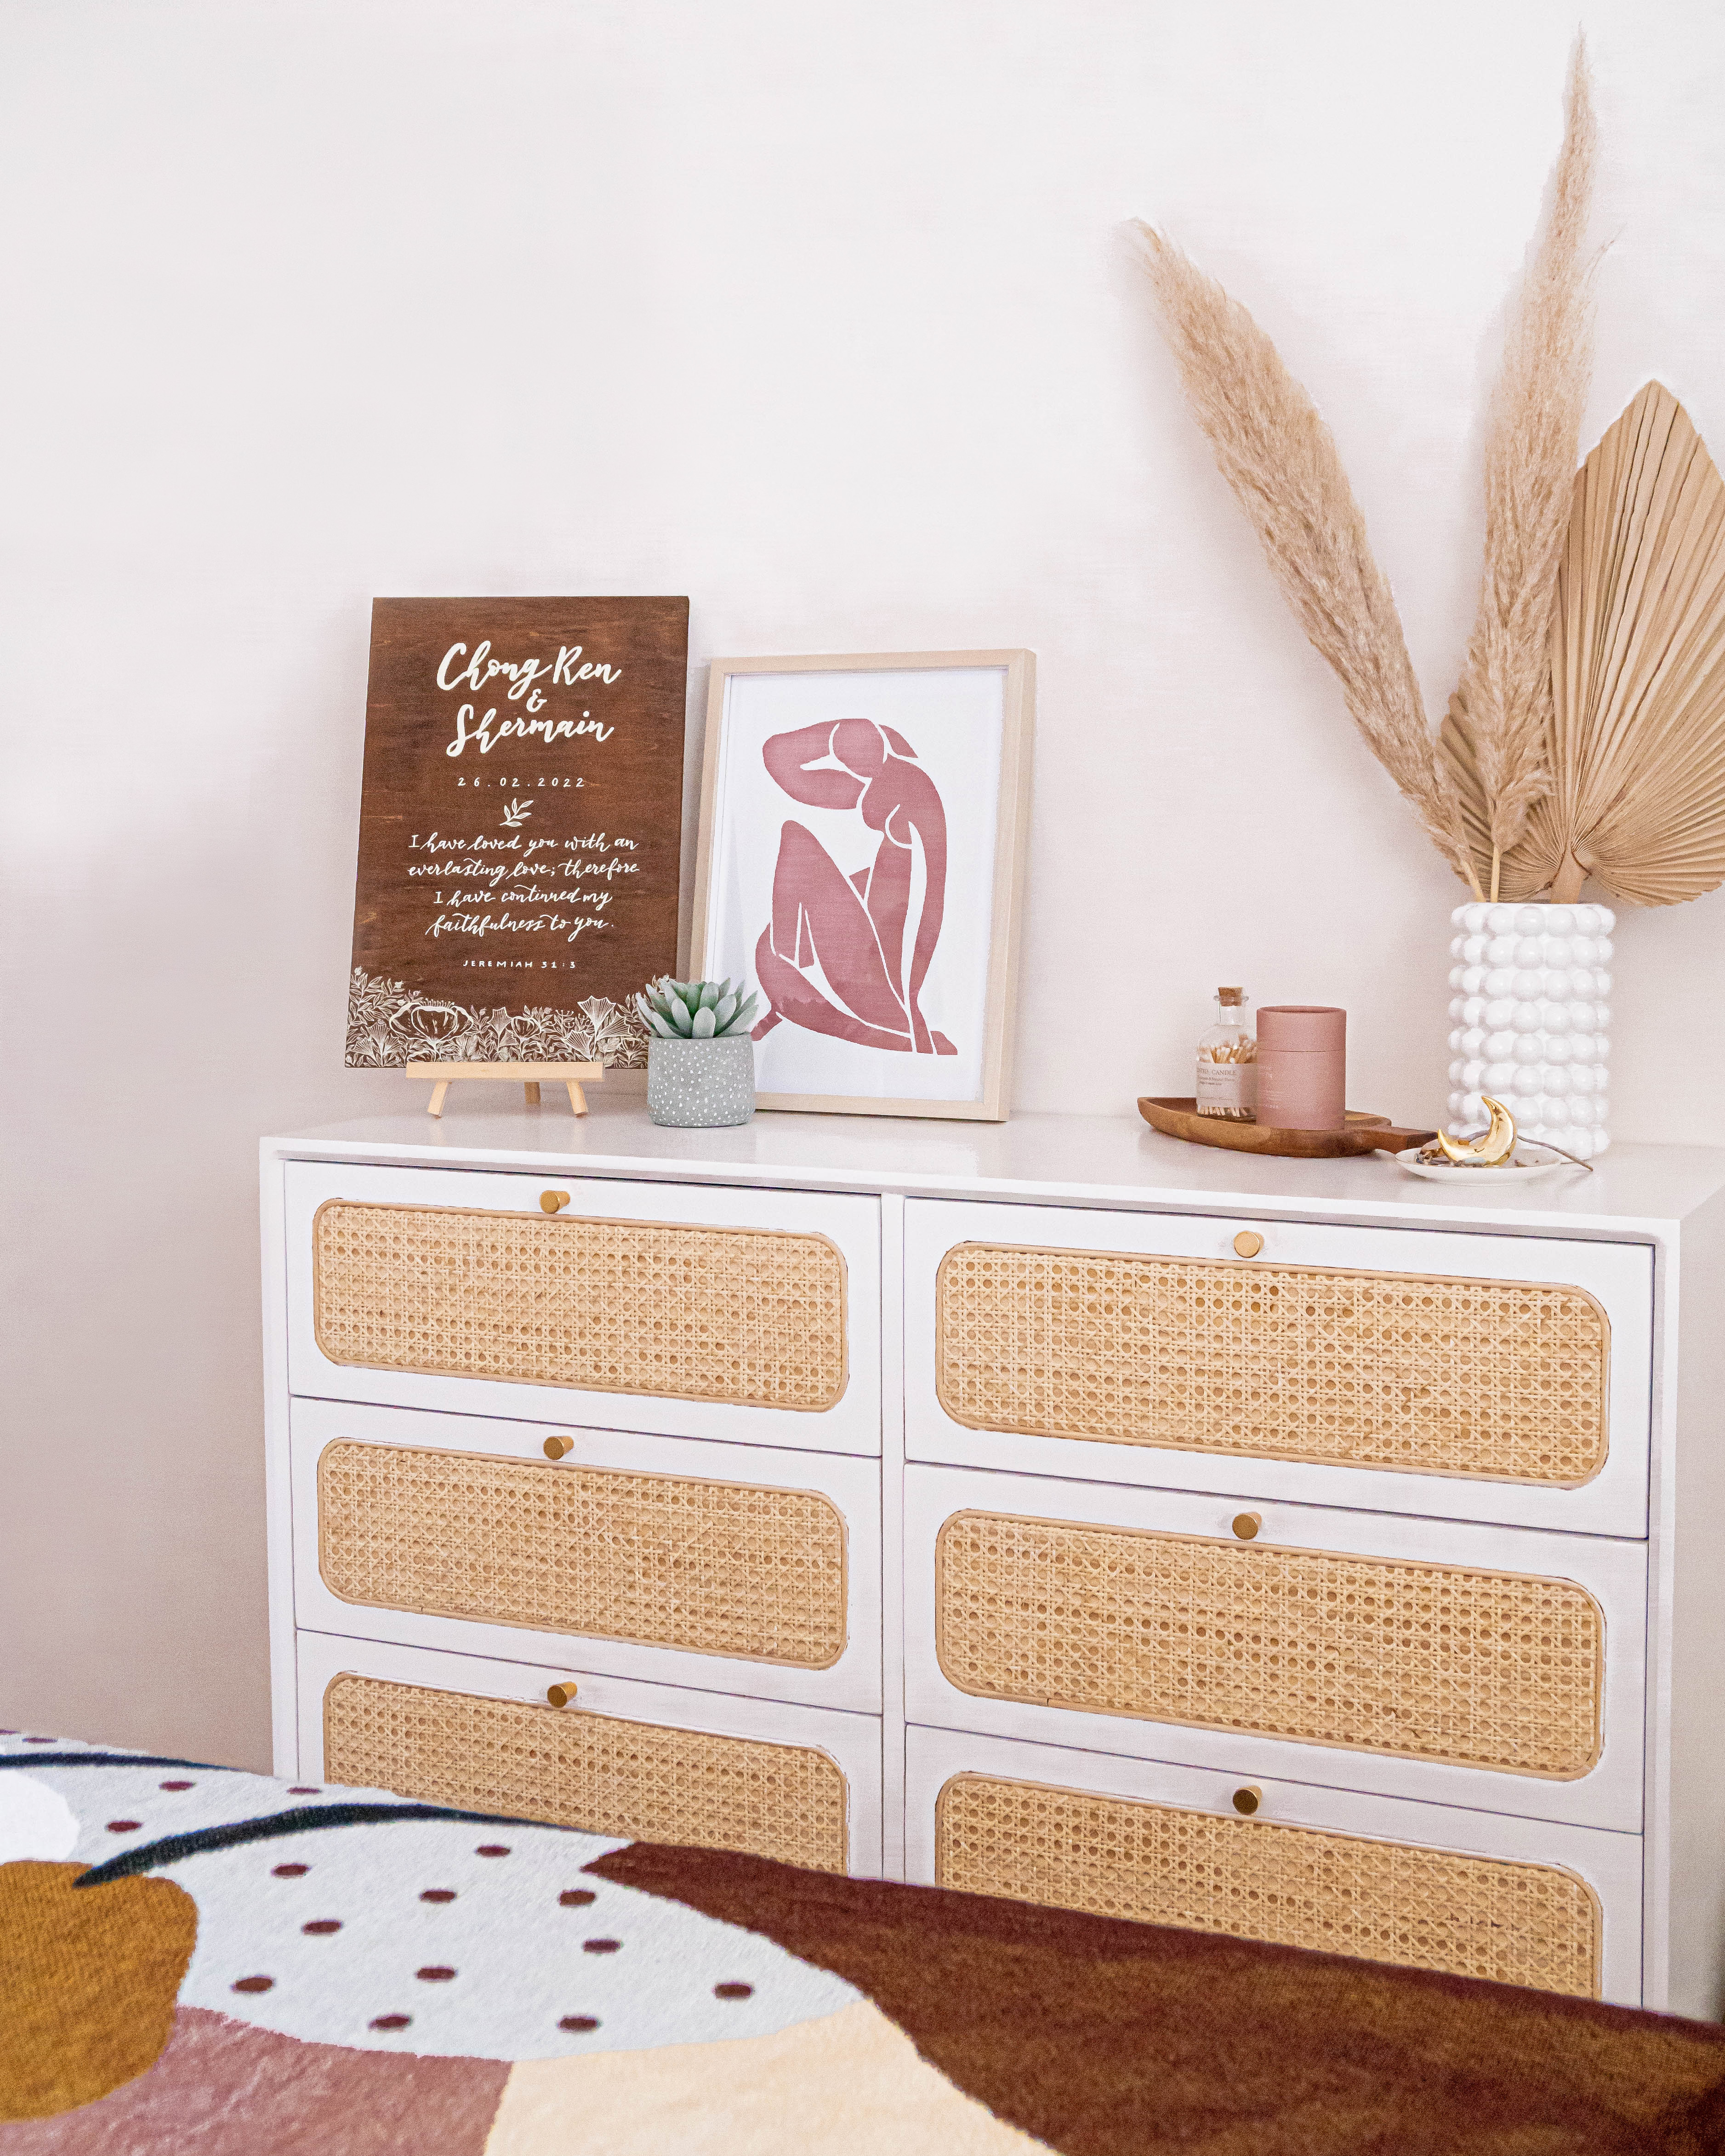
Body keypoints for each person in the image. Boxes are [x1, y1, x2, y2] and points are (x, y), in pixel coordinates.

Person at [751, 717, 956, 1054]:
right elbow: (781, 760)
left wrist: (911, 1008)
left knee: (797, 839)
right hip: (883, 983)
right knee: (819, 871)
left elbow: (925, 909)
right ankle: (791, 977)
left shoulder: (902, 795)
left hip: (879, 986)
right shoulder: (899, 792)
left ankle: (793, 968)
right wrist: (835, 736)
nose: (856, 781)